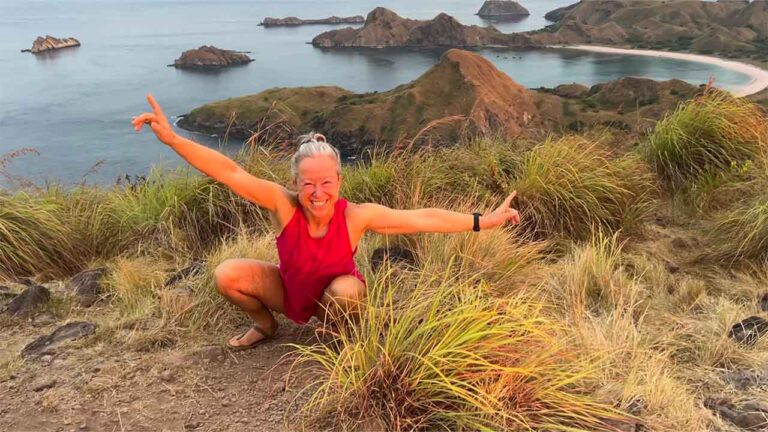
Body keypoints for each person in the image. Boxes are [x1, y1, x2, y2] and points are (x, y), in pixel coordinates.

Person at [132, 94, 521, 349]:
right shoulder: (282, 205)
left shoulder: (356, 216)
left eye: (326, 183)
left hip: (332, 302)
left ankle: (346, 336)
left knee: (348, 292)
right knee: (226, 274)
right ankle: (267, 327)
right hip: (288, 292)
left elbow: (421, 218)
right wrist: (174, 140)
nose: (318, 193)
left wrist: (483, 221)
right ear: (295, 183)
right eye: (308, 184)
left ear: (339, 181)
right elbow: (229, 172)